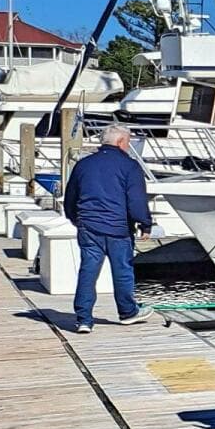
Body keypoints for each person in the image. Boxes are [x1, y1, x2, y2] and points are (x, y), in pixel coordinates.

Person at [61, 124, 157, 333]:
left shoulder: (83, 165)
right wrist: (145, 223)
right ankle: (127, 312)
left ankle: (83, 319)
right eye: (128, 141)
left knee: (88, 271)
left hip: (88, 226)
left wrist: (75, 219)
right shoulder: (130, 166)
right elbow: (136, 200)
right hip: (118, 229)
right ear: (121, 142)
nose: (129, 145)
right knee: (122, 271)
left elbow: (70, 198)